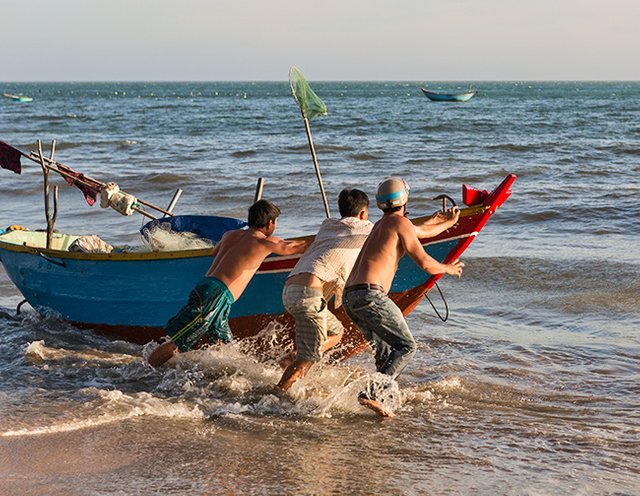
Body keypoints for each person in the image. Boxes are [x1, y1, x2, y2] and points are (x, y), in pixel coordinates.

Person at [342, 177, 464, 417]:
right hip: (370, 296)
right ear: (404, 199)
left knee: (385, 353)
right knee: (407, 346)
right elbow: (425, 263)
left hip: (350, 297)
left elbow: (419, 231)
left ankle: (381, 403)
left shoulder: (383, 224)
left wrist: (446, 223)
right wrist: (448, 268)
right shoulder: (400, 224)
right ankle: (370, 395)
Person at [147, 200, 309, 367]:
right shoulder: (265, 242)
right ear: (270, 223)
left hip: (206, 286)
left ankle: (221, 380)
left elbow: (214, 251)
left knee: (223, 346)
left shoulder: (230, 235)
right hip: (216, 294)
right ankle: (145, 370)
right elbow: (295, 247)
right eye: (275, 222)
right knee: (180, 341)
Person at [277, 189, 373, 391]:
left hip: (290, 290)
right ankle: (275, 394)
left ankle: (293, 359)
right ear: (363, 214)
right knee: (309, 357)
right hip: (308, 295)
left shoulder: (327, 226)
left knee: (336, 331)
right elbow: (393, 230)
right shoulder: (365, 229)